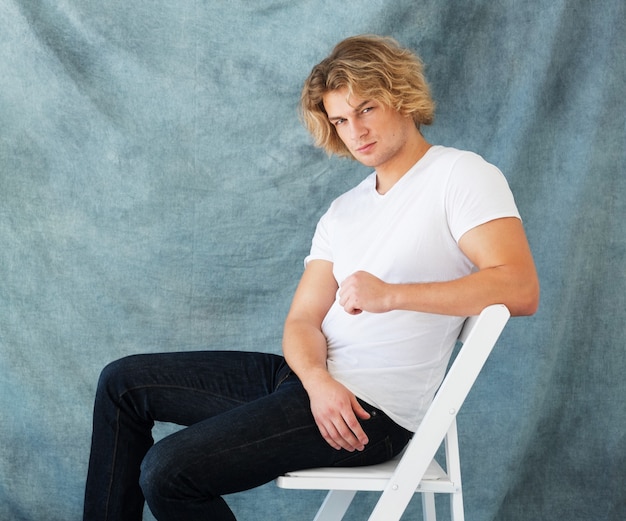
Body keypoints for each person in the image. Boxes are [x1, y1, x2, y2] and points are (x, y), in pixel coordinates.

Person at [83, 35, 539, 521]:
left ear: (401, 97)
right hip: (307, 381)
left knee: (167, 472)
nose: (355, 130)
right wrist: (317, 379)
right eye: (341, 120)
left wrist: (391, 296)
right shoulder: (345, 210)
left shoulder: (460, 175)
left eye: (366, 109)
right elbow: (302, 319)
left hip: (369, 411)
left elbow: (519, 287)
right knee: (122, 383)